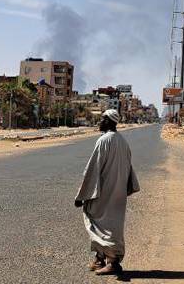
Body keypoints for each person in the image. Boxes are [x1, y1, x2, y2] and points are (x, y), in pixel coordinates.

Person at [74, 109, 140, 276]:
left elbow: (92, 170)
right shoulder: (123, 141)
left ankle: (113, 262)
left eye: (102, 119)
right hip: (118, 192)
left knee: (101, 223)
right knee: (109, 224)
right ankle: (99, 258)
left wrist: (82, 195)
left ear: (110, 121)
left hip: (104, 192)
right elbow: (129, 168)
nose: (99, 122)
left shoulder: (103, 140)